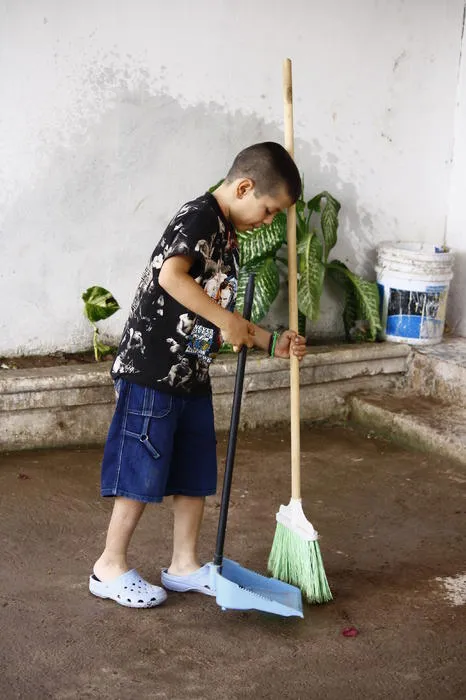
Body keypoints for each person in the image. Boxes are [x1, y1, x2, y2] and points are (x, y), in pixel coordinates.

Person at [89, 142, 307, 608]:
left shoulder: (228, 237)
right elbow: (171, 277)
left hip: (190, 372)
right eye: (269, 210)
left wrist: (272, 341)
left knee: (193, 470)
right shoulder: (201, 215)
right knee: (141, 467)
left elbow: (219, 313)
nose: (269, 222)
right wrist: (227, 321)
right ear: (244, 186)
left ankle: (184, 565)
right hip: (152, 369)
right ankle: (108, 565)